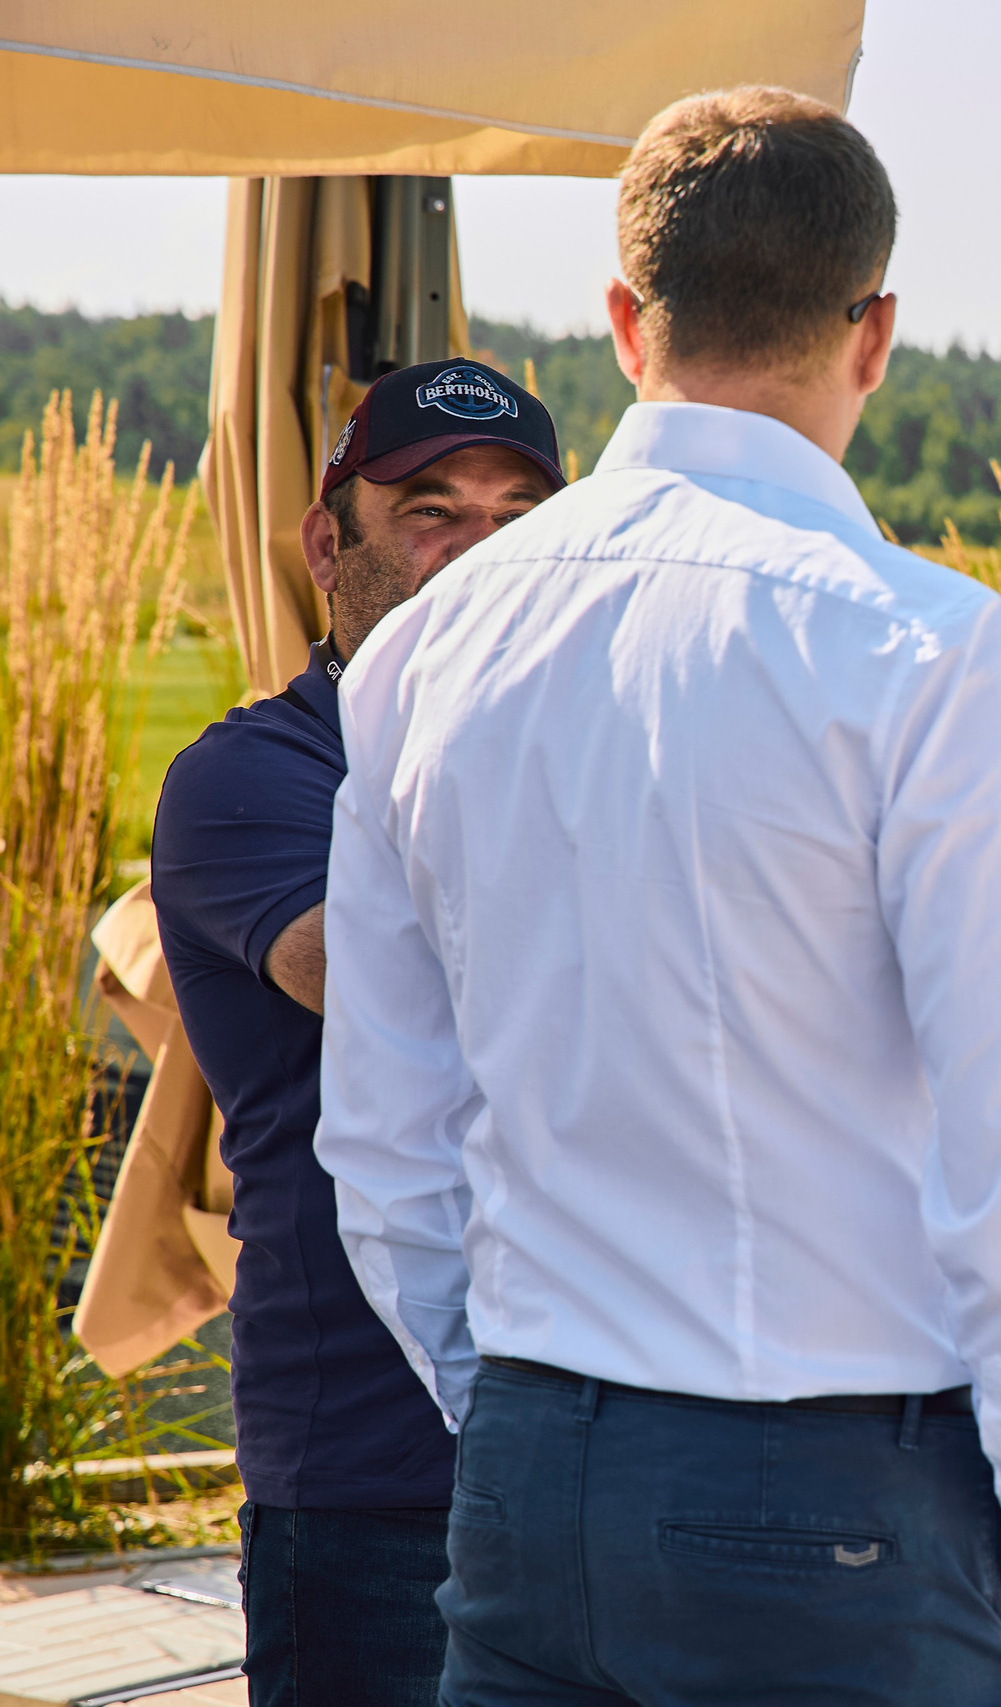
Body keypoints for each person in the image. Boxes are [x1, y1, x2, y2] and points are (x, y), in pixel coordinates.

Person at [312, 88, 1001, 1705]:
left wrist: (519, 1418)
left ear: (623, 322)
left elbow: (386, 1140)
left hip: (538, 1473)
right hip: (840, 1504)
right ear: (877, 331)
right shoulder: (929, 650)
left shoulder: (422, 646)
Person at [151, 357, 564, 1704]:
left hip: (594, 1440)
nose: (480, 555)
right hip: (372, 1474)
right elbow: (377, 970)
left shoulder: (587, 756)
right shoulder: (251, 776)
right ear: (328, 543)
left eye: (519, 518)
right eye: (432, 512)